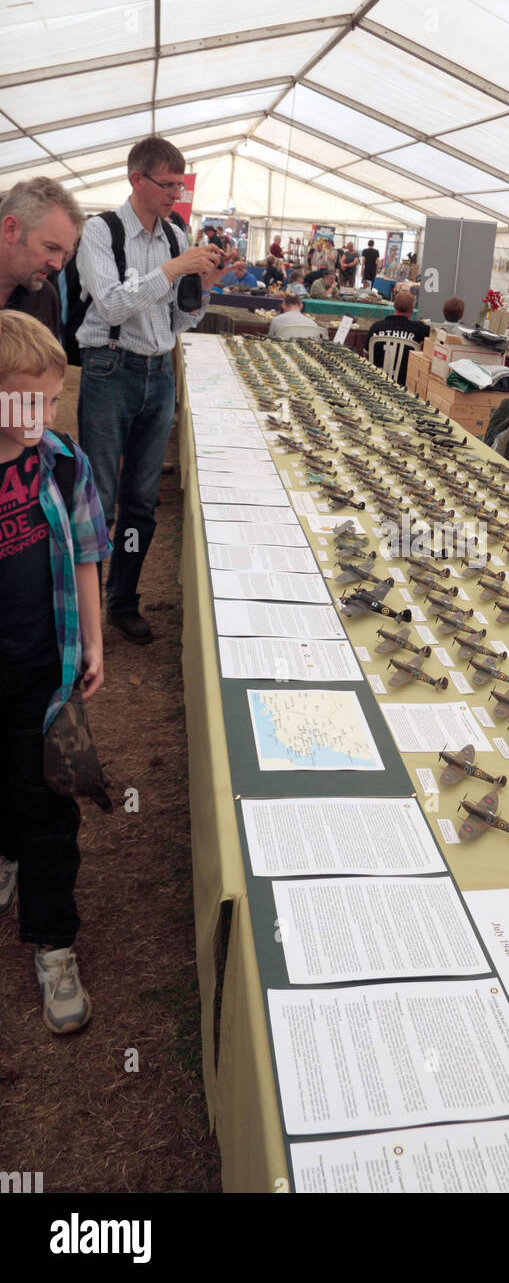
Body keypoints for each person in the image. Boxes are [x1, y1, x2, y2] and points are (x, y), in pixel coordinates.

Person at [0, 310, 111, 1033]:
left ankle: (53, 940)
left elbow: (86, 551)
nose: (42, 414)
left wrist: (95, 644)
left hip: (45, 670)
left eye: (51, 398)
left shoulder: (65, 462)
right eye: (24, 400)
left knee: (49, 805)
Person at [76, 134, 227, 645]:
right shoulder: (101, 232)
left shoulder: (176, 238)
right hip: (108, 369)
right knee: (98, 497)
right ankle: (84, 610)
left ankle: (123, 598)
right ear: (136, 179)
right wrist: (172, 270)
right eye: (166, 185)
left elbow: (180, 319)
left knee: (141, 501)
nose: (174, 195)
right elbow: (113, 306)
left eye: (179, 186)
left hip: (159, 371)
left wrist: (201, 286)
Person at [0, 178, 84, 340]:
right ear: (11, 229)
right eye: (51, 248)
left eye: (65, 255)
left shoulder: (44, 296)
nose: (58, 265)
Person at [367, 289, 429, 353]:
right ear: (412, 309)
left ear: (394, 305)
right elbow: (435, 334)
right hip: (407, 363)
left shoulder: (376, 327)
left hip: (376, 363)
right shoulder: (419, 328)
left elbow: (366, 353)